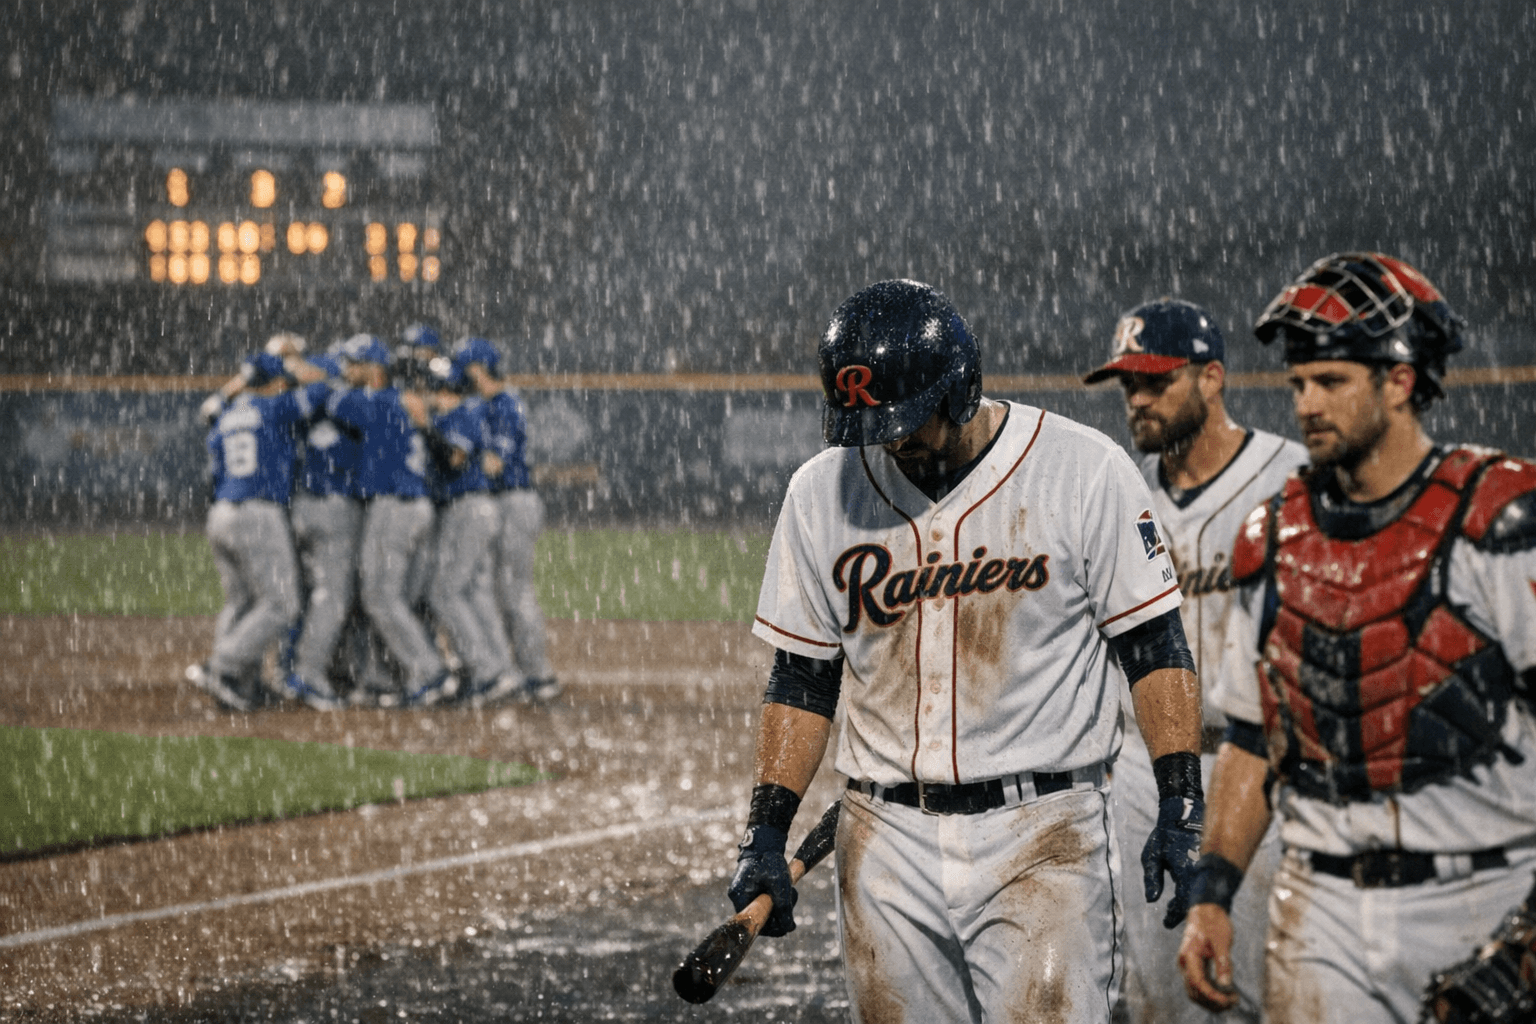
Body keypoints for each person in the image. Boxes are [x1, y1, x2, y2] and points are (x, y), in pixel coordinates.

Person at [730, 279, 1205, 1023]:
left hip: (1044, 830)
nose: (892, 440)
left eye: (907, 419)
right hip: (883, 841)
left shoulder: (1083, 468)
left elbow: (1153, 646)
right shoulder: (821, 493)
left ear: (961, 386)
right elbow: (801, 678)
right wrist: (765, 831)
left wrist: (1180, 797)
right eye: (872, 425)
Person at [1176, 252, 1536, 1024]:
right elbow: (1252, 737)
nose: (1306, 403)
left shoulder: (1500, 517)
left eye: (1331, 381)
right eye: (1299, 383)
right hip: (1321, 905)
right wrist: (1212, 893)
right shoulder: (1272, 537)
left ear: (1399, 381)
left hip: (1489, 892)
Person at [1084, 299, 1308, 1023]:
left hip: (1264, 766)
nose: (1138, 399)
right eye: (1129, 385)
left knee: (1272, 986)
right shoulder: (1118, 494)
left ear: (1212, 377)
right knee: (1160, 994)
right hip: (1145, 773)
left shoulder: (1292, 478)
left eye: (1156, 381)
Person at [187, 352, 324, 712]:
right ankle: (222, 667)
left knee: (242, 602)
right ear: (276, 382)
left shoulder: (228, 414)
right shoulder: (274, 407)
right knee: (282, 605)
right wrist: (301, 369)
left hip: (222, 511)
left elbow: (212, 456)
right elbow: (321, 391)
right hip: (257, 511)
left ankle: (239, 683)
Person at [326, 333, 457, 707]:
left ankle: (429, 673)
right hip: (414, 503)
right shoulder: (401, 401)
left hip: (394, 505)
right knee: (397, 600)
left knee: (380, 599)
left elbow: (334, 403)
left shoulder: (381, 401)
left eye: (355, 364)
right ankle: (395, 676)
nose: (348, 371)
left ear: (375, 369)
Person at [454, 336, 560, 702]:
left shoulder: (504, 404)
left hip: (514, 500)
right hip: (501, 501)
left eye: (465, 368)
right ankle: (510, 671)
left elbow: (493, 464)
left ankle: (538, 674)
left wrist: (457, 460)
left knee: (514, 592)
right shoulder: (487, 404)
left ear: (478, 369)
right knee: (496, 591)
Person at [420, 358, 522, 706]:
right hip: (467, 508)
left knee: (444, 593)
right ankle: (499, 670)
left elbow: (454, 459)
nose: (428, 392)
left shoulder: (464, 413)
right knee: (472, 594)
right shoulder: (455, 414)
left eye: (433, 386)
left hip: (469, 508)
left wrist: (424, 427)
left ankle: (487, 671)